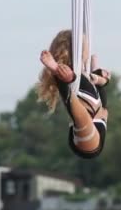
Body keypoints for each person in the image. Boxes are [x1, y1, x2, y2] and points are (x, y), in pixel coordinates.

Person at [37, 30, 111, 159]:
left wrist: (100, 77)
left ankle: (60, 77)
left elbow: (103, 83)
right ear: (79, 50)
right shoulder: (74, 73)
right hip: (90, 135)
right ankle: (60, 76)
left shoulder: (83, 74)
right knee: (73, 84)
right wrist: (101, 78)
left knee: (94, 107)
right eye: (86, 43)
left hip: (89, 129)